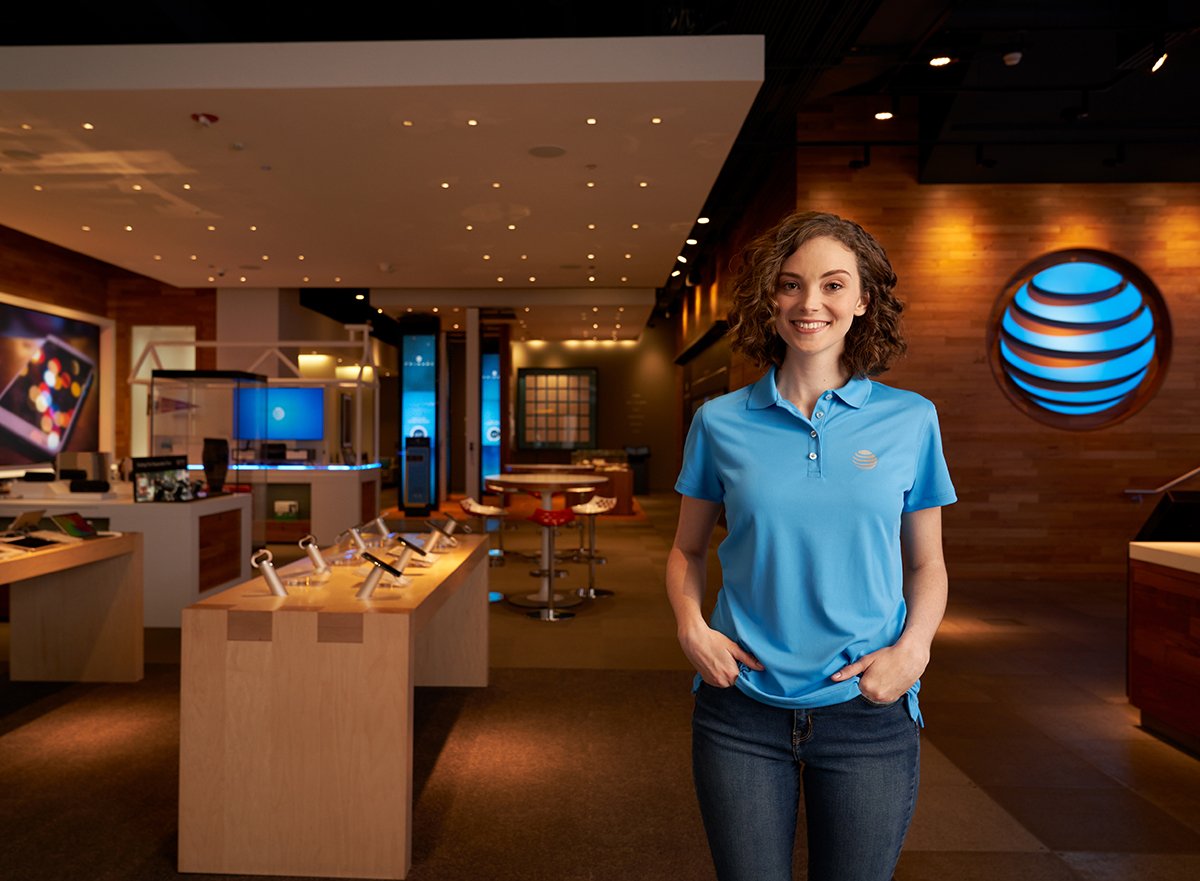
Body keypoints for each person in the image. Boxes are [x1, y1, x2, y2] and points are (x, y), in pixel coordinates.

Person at [667, 211, 956, 881]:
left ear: (861, 300)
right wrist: (691, 628)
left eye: (832, 285)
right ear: (771, 299)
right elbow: (686, 550)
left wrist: (913, 652)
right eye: (791, 285)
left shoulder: (911, 418)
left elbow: (927, 562)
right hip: (740, 705)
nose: (810, 303)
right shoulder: (719, 421)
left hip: (867, 707)